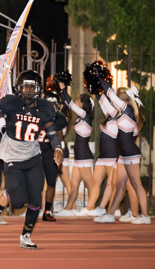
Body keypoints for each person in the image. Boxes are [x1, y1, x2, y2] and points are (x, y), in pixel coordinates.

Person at [0, 70, 63, 250]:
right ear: (18, 88)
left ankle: (25, 235)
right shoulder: (9, 103)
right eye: (26, 87)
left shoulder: (45, 107)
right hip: (11, 156)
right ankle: (12, 190)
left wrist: (57, 148)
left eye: (33, 88)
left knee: (36, 201)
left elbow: (51, 132)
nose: (29, 91)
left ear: (38, 89)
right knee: (17, 203)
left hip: (32, 156)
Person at [94, 81, 150, 224]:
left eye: (117, 99)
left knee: (136, 184)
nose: (114, 102)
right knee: (119, 184)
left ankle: (145, 216)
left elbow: (110, 95)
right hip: (122, 156)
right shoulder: (120, 113)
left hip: (130, 154)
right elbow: (105, 102)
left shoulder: (128, 111)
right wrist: (96, 87)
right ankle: (110, 214)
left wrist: (101, 78)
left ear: (122, 100)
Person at [75, 93, 118, 216]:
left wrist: (101, 91)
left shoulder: (117, 116)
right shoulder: (109, 117)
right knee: (96, 183)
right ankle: (90, 208)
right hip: (102, 157)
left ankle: (113, 209)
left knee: (112, 184)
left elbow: (105, 103)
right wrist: (97, 90)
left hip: (112, 156)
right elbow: (103, 103)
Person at [56, 85, 94, 216]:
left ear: (84, 104)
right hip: (79, 157)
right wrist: (60, 93)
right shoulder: (82, 117)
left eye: (79, 100)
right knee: (74, 185)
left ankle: (91, 208)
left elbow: (71, 104)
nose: (76, 102)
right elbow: (69, 103)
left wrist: (63, 89)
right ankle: (69, 209)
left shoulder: (85, 115)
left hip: (84, 157)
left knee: (90, 184)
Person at [37, 91, 67, 221]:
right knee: (34, 183)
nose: (52, 107)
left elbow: (58, 138)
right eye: (50, 104)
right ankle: (34, 208)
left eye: (54, 104)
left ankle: (47, 211)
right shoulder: (36, 114)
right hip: (36, 152)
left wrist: (59, 152)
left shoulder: (59, 118)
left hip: (50, 153)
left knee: (51, 183)